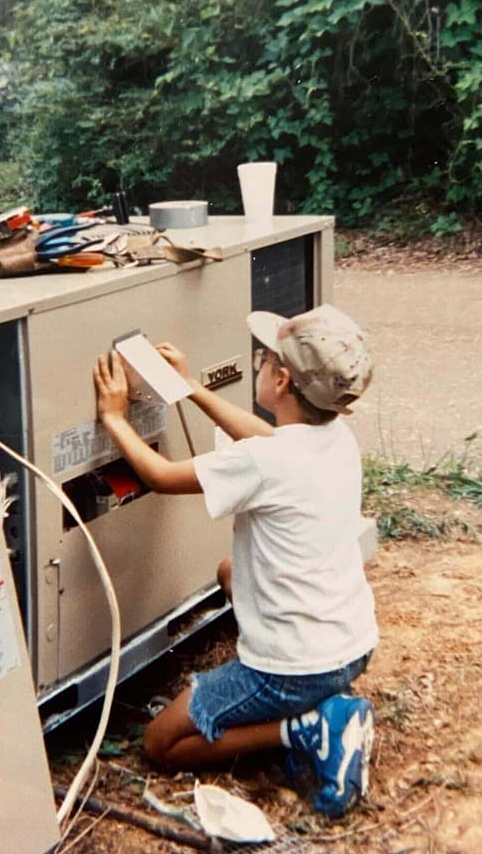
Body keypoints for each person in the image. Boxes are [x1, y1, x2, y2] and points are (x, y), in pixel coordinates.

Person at [92, 303, 378, 819]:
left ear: (282, 381)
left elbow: (159, 475)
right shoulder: (334, 438)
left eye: (266, 358)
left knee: (161, 744)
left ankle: (307, 727)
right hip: (351, 643)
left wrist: (114, 417)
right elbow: (263, 437)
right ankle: (324, 699)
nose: (260, 363)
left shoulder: (264, 463)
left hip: (294, 669)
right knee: (229, 572)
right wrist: (190, 388)